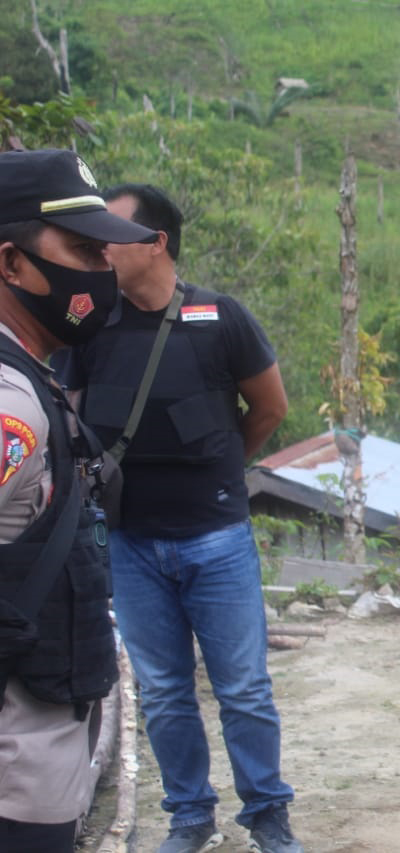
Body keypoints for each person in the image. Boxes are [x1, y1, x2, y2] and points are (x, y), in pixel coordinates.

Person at [54, 184, 299, 853]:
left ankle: (268, 816)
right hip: (131, 544)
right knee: (163, 691)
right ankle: (190, 816)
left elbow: (270, 407)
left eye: (113, 233)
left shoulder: (223, 318)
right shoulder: (90, 328)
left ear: (156, 243)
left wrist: (221, 473)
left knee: (243, 687)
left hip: (216, 538)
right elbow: (70, 420)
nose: (99, 247)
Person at [0, 149, 156, 852]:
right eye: (82, 250)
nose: (102, 269)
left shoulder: (35, 378)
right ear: (10, 263)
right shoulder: (10, 403)